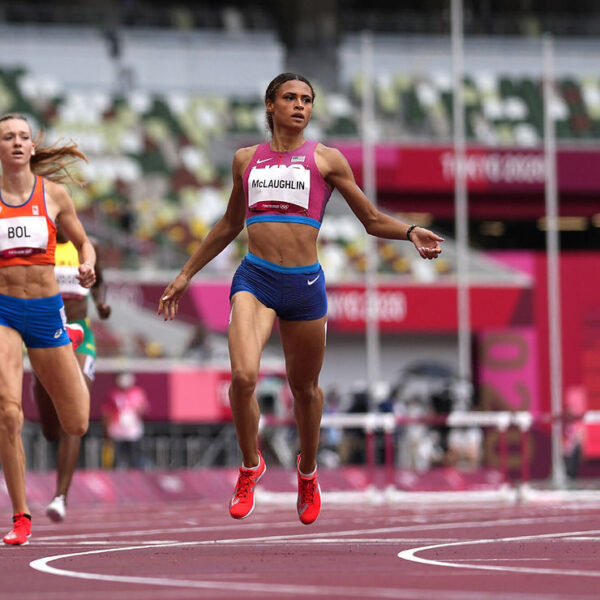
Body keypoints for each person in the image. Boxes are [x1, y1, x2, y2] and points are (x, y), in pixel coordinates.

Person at [158, 73, 443, 525]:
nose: (300, 105)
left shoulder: (326, 160)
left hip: (305, 286)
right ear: (270, 105)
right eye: (290, 98)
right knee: (243, 376)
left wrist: (409, 232)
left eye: (307, 99)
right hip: (256, 279)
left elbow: (368, 219)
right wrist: (185, 274)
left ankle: (307, 472)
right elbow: (231, 223)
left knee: (304, 389)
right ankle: (251, 466)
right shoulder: (245, 160)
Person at [0, 113, 96, 545]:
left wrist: (89, 263)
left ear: (32, 147)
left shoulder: (54, 196)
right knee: (8, 414)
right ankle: (20, 515)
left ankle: (69, 340)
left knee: (75, 422)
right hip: (3, 310)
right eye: (7, 137)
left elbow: (82, 241)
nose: (17, 143)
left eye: (23, 136)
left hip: (46, 310)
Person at [32, 226, 111, 522]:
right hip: (48, 333)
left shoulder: (88, 247)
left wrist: (101, 303)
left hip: (81, 333)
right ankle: (39, 389)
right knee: (51, 429)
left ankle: (60, 497)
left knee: (77, 413)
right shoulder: (40, 247)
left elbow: (100, 282)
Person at [101, 372, 149, 469]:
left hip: (132, 429)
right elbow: (106, 412)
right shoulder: (112, 394)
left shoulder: (138, 393)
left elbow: (144, 409)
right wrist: (106, 428)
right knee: (117, 455)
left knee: (134, 454)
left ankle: (135, 471)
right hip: (117, 428)